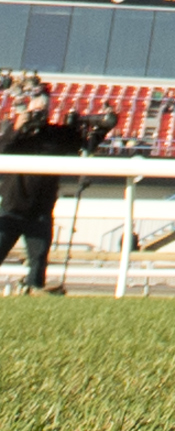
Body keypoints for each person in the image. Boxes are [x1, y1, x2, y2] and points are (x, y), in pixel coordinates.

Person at [0, 104, 112, 292]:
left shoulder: (55, 134)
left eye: (42, 111)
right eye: (34, 110)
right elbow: (3, 149)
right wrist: (18, 127)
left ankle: (33, 291)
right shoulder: (14, 132)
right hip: (13, 208)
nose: (38, 115)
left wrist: (103, 127)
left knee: (39, 259)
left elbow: (84, 144)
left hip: (40, 210)